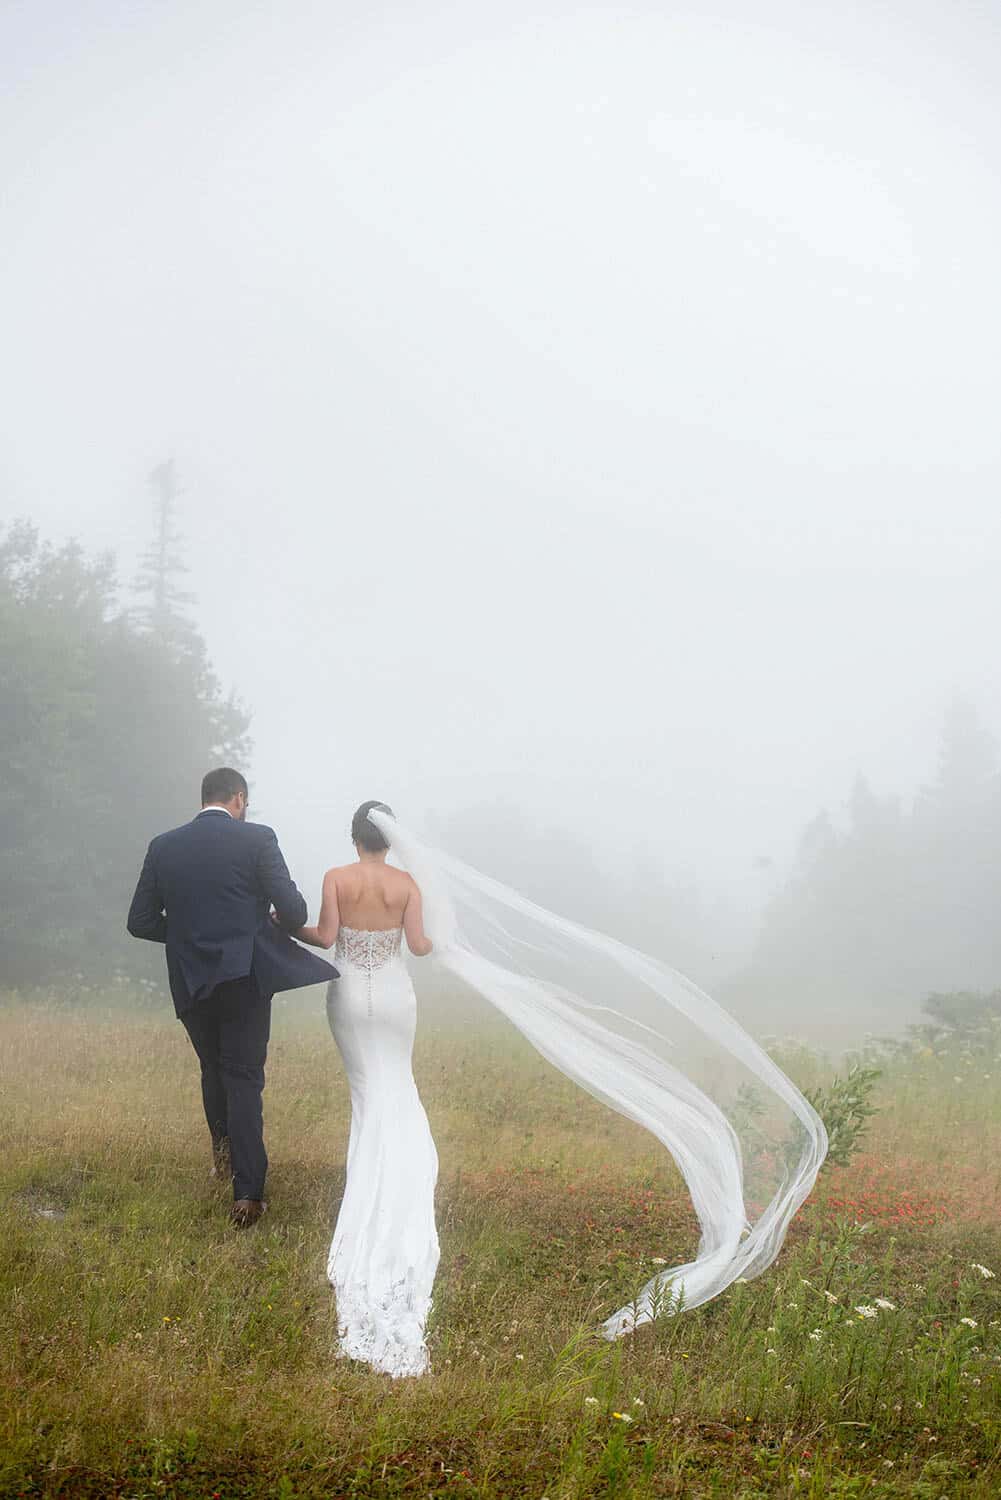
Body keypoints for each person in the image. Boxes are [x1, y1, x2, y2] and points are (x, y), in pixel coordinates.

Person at [126, 767, 338, 1226]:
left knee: (213, 1070)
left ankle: (223, 1162)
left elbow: (140, 921)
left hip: (189, 979)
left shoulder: (163, 846)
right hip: (244, 977)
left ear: (205, 798)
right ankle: (248, 1193)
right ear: (238, 799)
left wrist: (187, 935)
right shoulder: (258, 839)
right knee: (243, 1076)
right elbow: (296, 909)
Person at [296, 799, 437, 1377]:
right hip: (397, 994)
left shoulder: (336, 877)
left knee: (366, 1092)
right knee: (395, 1084)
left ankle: (370, 1178)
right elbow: (421, 947)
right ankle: (399, 1169)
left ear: (353, 837)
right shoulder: (407, 883)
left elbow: (326, 937)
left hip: (351, 991)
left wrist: (281, 925)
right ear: (391, 838)